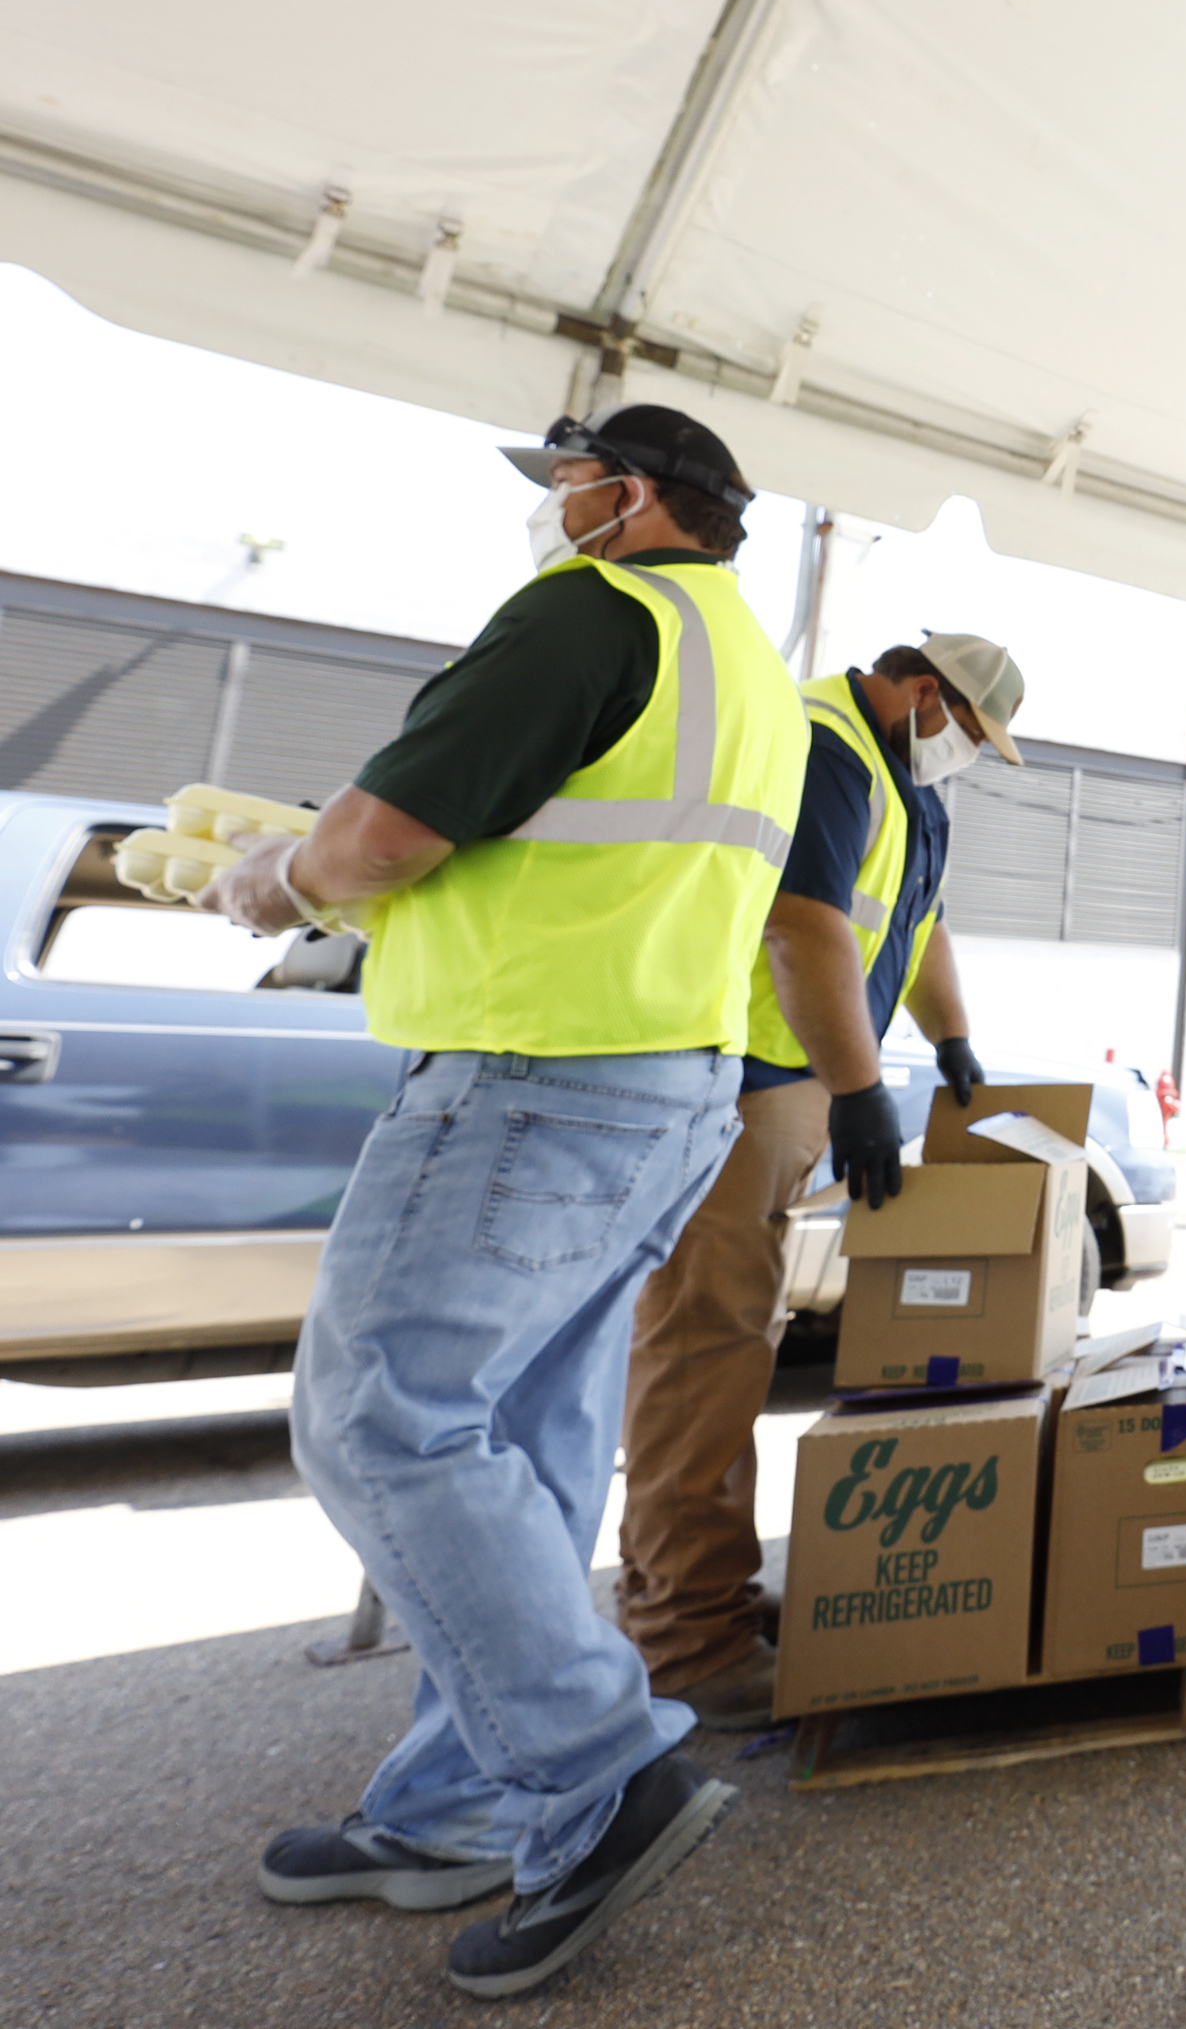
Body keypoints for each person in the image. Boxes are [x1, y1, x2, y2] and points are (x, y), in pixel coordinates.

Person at [198, 402, 807, 2001]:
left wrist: (283, 877)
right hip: (659, 1085)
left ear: (642, 497)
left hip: (531, 1078)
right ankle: (464, 1802)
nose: (555, 508)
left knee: (381, 1421)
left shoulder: (589, 613)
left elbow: (390, 830)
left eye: (573, 482)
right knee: (520, 1436)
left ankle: (596, 1777)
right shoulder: (747, 662)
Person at [614, 630, 1028, 1728]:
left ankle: (711, 1603)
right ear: (925, 695)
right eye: (971, 735)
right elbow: (802, 927)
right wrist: (857, 1088)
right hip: (740, 1076)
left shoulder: (907, 785)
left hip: (789, 1082)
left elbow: (918, 926)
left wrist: (951, 1047)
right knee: (704, 1348)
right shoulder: (825, 745)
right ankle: (681, 1637)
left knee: (732, 1345)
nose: (968, 756)